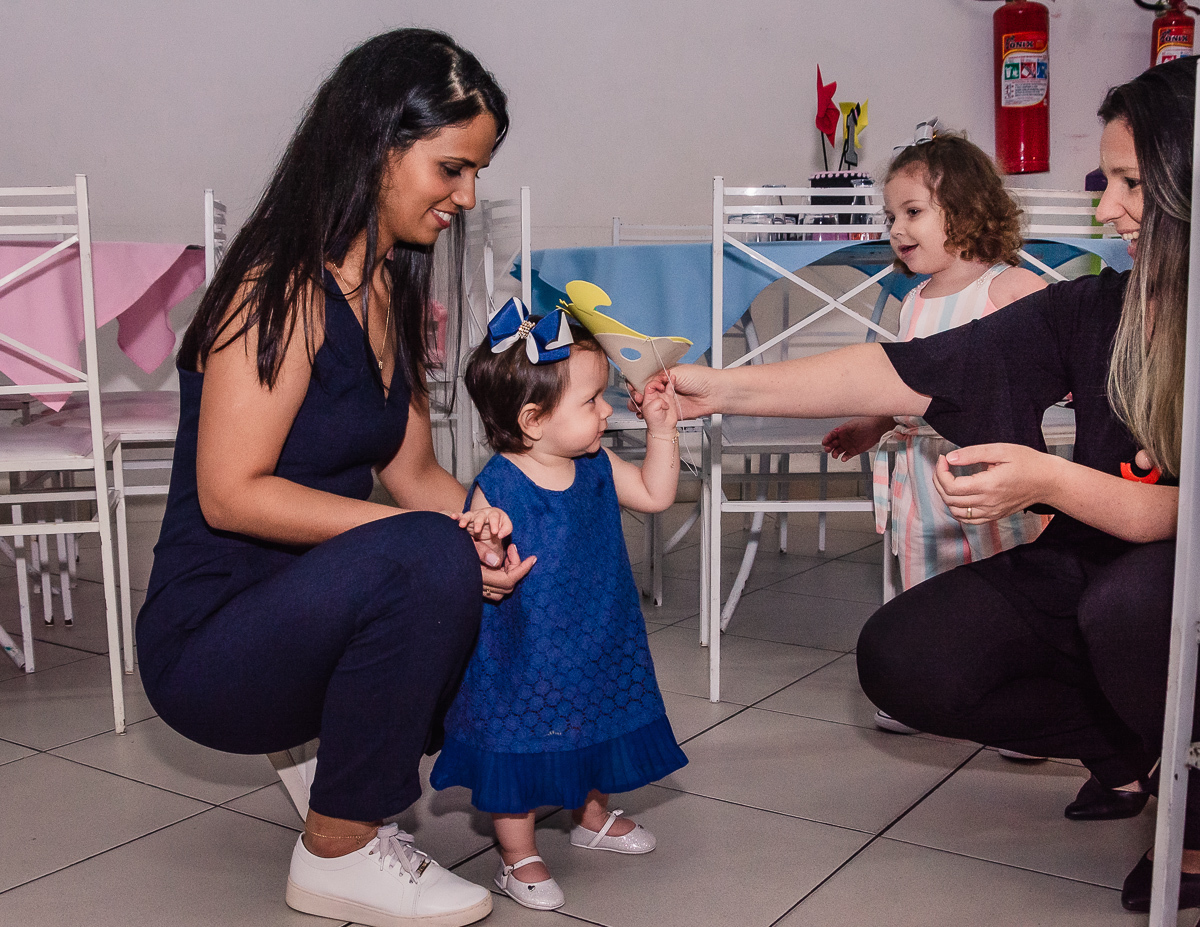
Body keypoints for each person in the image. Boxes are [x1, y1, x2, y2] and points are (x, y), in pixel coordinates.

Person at [639, 56, 1192, 913]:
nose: (1106, 207)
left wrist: (1047, 476)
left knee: (1126, 609)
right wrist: (727, 384)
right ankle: (1132, 749)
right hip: (1093, 557)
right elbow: (907, 369)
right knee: (903, 657)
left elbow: (1179, 515)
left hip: (1171, 571)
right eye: (1104, 180)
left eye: (1129, 181)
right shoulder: (1098, 306)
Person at [136, 29, 534, 927]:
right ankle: (339, 851)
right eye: (452, 169)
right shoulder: (274, 287)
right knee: (426, 557)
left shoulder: (387, 293)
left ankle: (346, 750)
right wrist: (424, 543)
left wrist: (503, 526)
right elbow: (230, 493)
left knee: (493, 548)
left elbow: (419, 474)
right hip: (206, 645)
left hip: (303, 606)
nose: (467, 198)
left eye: (476, 174)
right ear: (379, 144)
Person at [430, 303, 689, 911]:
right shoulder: (500, 482)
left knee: (594, 721)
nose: (606, 410)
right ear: (533, 419)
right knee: (518, 742)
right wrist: (486, 541)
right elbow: (484, 560)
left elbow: (655, 494)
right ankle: (517, 857)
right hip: (526, 648)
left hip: (600, 631)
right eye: (591, 401)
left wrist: (663, 428)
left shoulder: (594, 464)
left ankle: (590, 817)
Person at [821, 130, 1047, 739]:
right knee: (923, 580)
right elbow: (905, 386)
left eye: (913, 212)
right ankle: (923, 682)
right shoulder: (913, 301)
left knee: (1008, 582)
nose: (897, 228)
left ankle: (1026, 698)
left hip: (990, 469)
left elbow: (1064, 364)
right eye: (891, 215)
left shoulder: (1011, 290)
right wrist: (873, 423)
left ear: (968, 207)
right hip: (920, 473)